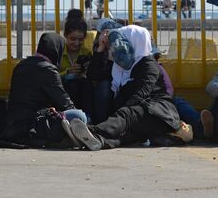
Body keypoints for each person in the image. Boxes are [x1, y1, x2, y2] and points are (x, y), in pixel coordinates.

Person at [64, 25, 192, 150]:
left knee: (129, 114)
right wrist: (101, 48)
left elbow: (141, 95)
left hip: (158, 114)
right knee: (125, 135)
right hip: (138, 118)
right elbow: (94, 75)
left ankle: (92, 130)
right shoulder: (119, 67)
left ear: (134, 42)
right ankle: (98, 141)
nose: (118, 46)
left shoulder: (149, 64)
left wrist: (120, 115)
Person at [0, 32, 87, 147]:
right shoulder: (48, 69)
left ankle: (66, 138)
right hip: (33, 126)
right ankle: (71, 136)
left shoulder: (21, 65)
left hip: (13, 126)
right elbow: (65, 103)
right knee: (79, 116)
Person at [86, 18, 124, 124]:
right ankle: (100, 123)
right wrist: (101, 48)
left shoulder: (123, 47)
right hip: (106, 89)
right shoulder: (99, 50)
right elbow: (93, 75)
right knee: (104, 85)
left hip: (122, 89)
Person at [60, 9, 94, 119]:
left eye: (80, 40)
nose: (76, 43)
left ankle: (87, 118)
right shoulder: (58, 52)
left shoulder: (86, 53)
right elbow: (51, 76)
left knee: (86, 84)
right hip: (63, 90)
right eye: (72, 39)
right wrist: (68, 72)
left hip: (83, 92)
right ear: (65, 35)